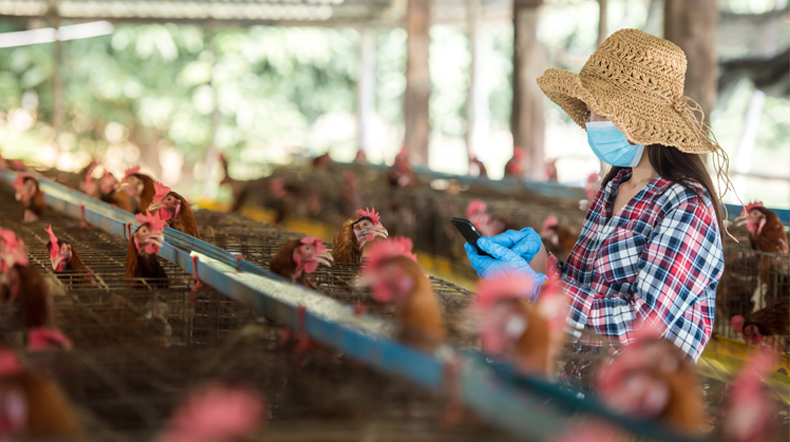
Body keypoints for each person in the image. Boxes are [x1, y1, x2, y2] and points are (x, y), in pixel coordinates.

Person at [465, 28, 729, 364]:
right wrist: (540, 264)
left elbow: (637, 325)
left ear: (640, 122)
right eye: (592, 112)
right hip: (581, 380)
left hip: (639, 398)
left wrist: (535, 288)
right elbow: (586, 287)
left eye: (603, 113)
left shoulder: (686, 207)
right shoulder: (616, 186)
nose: (592, 123)